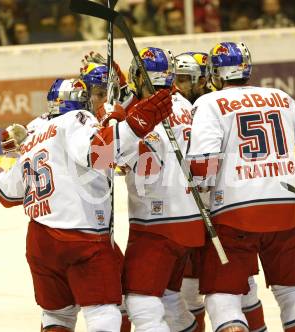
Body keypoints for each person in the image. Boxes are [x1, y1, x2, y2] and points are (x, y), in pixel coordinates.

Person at [0, 77, 173, 332]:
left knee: (57, 317)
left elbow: (7, 192)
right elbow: (99, 154)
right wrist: (134, 125)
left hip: (40, 242)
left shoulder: (34, 133)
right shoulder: (76, 118)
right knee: (104, 312)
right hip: (82, 237)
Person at [187, 41, 295, 332]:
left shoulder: (209, 103)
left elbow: (202, 166)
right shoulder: (278, 97)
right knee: (294, 293)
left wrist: (195, 192)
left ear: (215, 74)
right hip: (284, 214)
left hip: (233, 216)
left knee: (222, 296)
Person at [175, 51, 267, 332]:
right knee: (190, 290)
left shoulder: (217, 105)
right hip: (187, 209)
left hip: (223, 209)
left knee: (242, 285)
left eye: (188, 78)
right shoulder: (174, 106)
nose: (181, 84)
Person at [117, 47, 205, 332]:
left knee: (141, 303)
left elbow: (104, 160)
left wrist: (111, 121)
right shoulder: (186, 106)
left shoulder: (138, 117)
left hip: (156, 226)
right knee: (168, 298)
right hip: (193, 221)